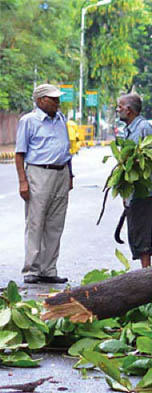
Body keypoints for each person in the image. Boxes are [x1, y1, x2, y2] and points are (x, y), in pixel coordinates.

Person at [15, 84, 73, 284]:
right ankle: (31, 269)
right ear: (40, 101)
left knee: (55, 224)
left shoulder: (61, 119)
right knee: (35, 222)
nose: (57, 103)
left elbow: (66, 148)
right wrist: (23, 181)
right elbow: (19, 153)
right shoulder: (28, 121)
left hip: (61, 173)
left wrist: (70, 176)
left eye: (58, 99)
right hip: (39, 173)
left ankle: (49, 269)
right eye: (53, 99)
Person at [116, 93, 152, 269]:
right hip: (134, 189)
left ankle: (147, 272)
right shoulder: (129, 129)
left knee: (143, 232)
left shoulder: (144, 127)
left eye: (120, 107)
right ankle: (144, 272)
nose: (117, 110)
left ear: (129, 110)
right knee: (135, 231)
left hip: (146, 189)